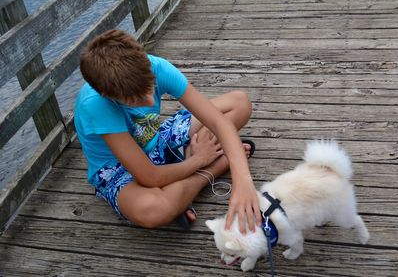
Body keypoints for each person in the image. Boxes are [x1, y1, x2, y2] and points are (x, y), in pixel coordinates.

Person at [74, 29, 261, 234]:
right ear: (107, 95)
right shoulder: (95, 104)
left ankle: (180, 192)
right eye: (134, 100)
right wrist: (200, 160)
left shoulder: (156, 67)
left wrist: (243, 180)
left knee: (239, 103)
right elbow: (150, 177)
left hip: (155, 140)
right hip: (117, 170)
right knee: (153, 210)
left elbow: (218, 122)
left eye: (150, 87)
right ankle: (207, 172)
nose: (150, 101)